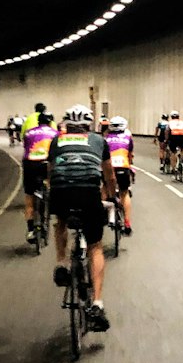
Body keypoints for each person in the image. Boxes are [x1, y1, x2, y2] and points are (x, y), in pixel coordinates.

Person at [47, 104, 118, 332]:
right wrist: (112, 195)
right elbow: (109, 175)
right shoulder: (98, 141)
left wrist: (55, 189)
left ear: (67, 124)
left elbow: (50, 172)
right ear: (88, 125)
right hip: (88, 193)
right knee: (96, 246)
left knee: (60, 222)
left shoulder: (57, 142)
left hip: (61, 192)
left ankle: (61, 263)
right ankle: (97, 304)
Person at [22, 111, 58, 242]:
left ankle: (31, 229)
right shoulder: (55, 134)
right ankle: (49, 201)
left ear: (38, 121)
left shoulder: (28, 133)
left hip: (30, 164)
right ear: (50, 122)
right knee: (50, 184)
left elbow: (26, 147)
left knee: (29, 197)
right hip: (47, 164)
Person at [105, 116, 135, 235]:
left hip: (109, 168)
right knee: (124, 192)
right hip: (123, 167)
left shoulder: (105, 139)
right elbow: (130, 155)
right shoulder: (128, 137)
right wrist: (130, 165)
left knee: (105, 189)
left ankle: (103, 216)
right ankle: (127, 223)